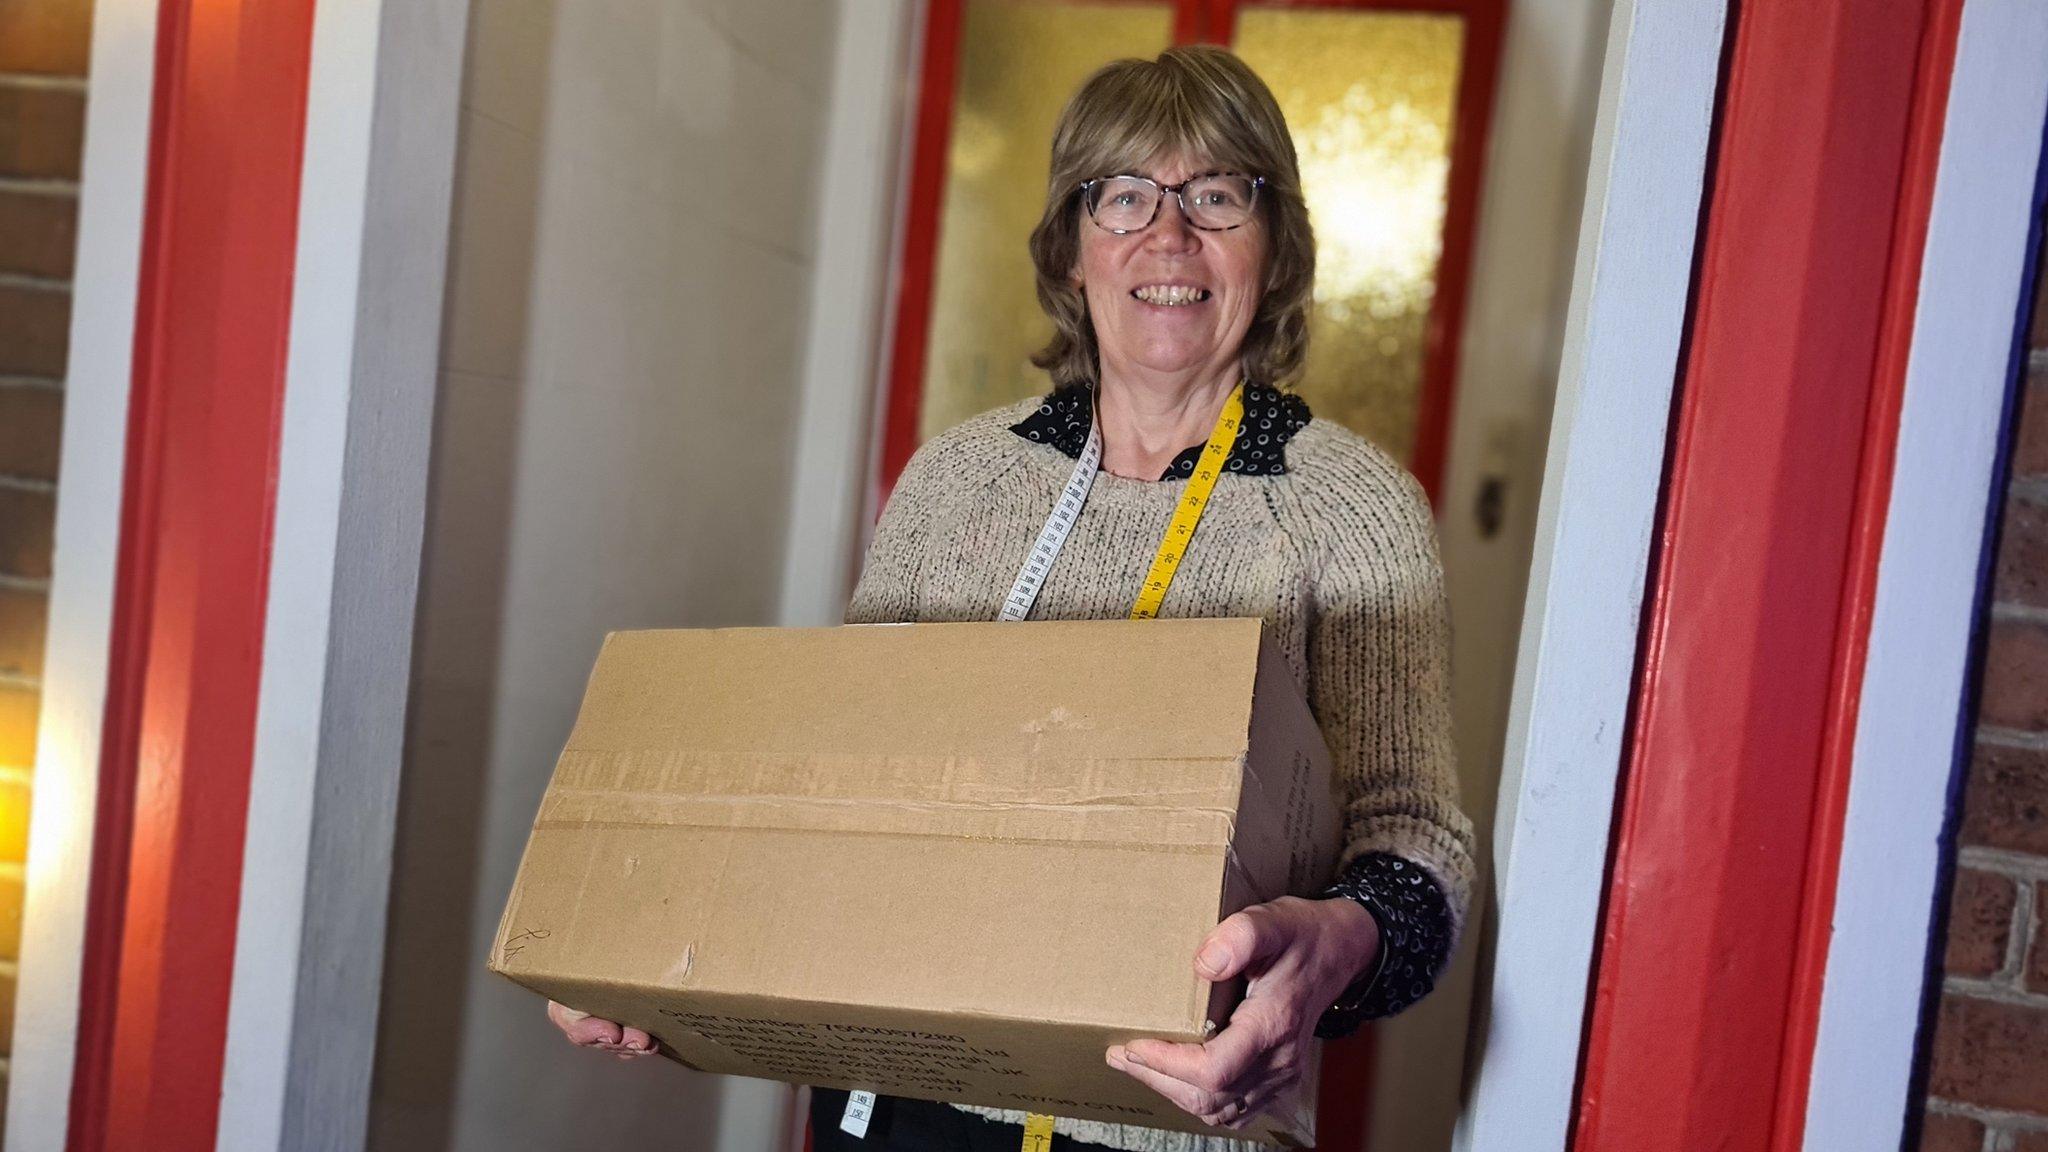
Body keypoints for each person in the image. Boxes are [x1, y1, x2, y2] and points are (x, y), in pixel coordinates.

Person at [549, 44, 1474, 1152]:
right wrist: (637, 946)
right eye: (1123, 195)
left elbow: (1414, 839)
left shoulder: (1349, 507)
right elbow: (831, 788)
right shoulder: (955, 481)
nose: (1166, 236)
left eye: (1216, 196)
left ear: (1272, 249)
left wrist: (1336, 945)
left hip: (1179, 1112)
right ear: (1070, 248)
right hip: (902, 1099)